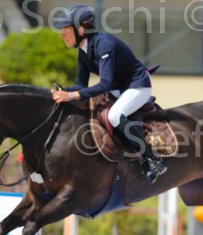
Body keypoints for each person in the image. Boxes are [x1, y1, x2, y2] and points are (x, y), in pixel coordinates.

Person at [52, 4, 167, 184]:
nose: (62, 35)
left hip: (137, 86)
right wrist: (64, 90)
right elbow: (80, 84)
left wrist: (72, 96)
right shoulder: (83, 50)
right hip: (118, 89)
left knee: (114, 116)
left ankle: (153, 160)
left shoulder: (104, 44)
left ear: (81, 29)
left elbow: (104, 83)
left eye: (65, 29)